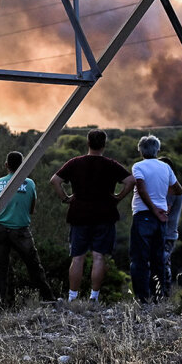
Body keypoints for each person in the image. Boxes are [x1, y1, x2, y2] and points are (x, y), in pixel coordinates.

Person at [50, 129, 135, 302]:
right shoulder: (110, 164)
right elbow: (130, 181)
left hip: (79, 214)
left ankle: (72, 297)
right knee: (98, 256)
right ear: (104, 144)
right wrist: (118, 197)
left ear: (88, 143)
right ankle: (93, 297)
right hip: (105, 214)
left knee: (78, 257)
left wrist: (65, 198)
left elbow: (55, 180)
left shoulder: (75, 163)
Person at [0, 151, 56, 304]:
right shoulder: (30, 183)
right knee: (33, 265)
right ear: (22, 166)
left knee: (0, 269)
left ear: (6, 165)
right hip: (20, 232)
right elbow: (32, 210)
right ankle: (48, 298)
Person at [129, 135, 182, 303]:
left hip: (144, 216)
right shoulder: (166, 167)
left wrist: (154, 209)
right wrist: (164, 205)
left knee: (139, 259)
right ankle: (158, 297)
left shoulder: (138, 166)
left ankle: (142, 298)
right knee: (158, 259)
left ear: (140, 150)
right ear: (157, 149)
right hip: (160, 220)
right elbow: (178, 190)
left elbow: (141, 189)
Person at [159, 156, 181, 295]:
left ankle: (163, 295)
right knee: (165, 264)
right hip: (170, 233)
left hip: (166, 233)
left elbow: (164, 211)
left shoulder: (170, 189)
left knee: (163, 264)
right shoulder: (173, 187)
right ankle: (163, 295)